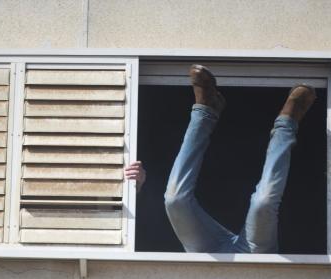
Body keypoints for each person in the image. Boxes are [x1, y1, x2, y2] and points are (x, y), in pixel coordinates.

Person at [124, 65, 316, 254]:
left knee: (175, 201)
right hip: (253, 257)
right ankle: (287, 122)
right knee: (263, 204)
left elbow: (136, 233)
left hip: (204, 253)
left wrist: (137, 191)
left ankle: (205, 110)